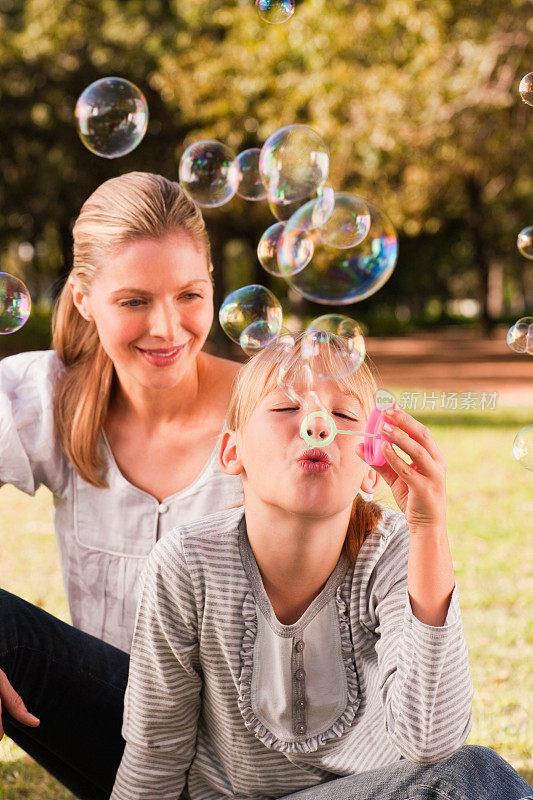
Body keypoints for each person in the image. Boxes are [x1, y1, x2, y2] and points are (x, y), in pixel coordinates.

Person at [110, 335, 533, 800]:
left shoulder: (393, 552)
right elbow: (157, 750)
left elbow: (430, 741)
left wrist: (428, 527)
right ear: (232, 452)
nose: (317, 426)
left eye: (344, 415)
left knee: (469, 771)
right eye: (286, 408)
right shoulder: (188, 562)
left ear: (371, 466)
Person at [0, 172, 244, 800]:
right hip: (120, 737)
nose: (167, 329)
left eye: (189, 295)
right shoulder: (51, 395)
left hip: (254, 748)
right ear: (83, 299)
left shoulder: (274, 408)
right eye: (134, 301)